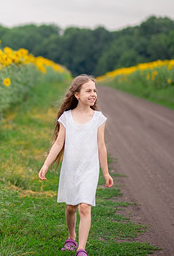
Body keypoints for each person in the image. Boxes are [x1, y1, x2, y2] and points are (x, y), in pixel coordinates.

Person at [38, 74, 114, 256]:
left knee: (84, 206)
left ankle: (81, 248)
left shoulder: (98, 118)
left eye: (95, 90)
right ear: (77, 95)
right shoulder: (66, 117)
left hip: (90, 169)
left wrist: (106, 172)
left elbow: (101, 146)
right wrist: (46, 165)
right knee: (71, 207)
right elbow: (58, 144)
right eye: (88, 90)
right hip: (71, 169)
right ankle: (71, 237)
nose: (93, 94)